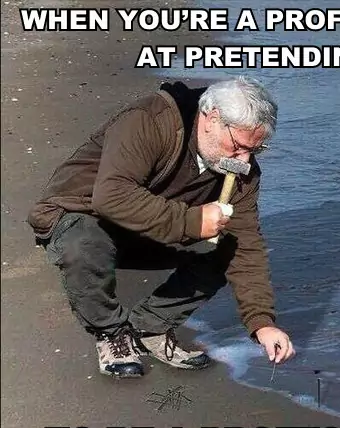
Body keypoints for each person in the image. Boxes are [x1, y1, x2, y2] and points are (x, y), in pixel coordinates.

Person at [27, 76, 295, 378]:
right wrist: (193, 222)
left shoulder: (241, 168)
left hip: (147, 230)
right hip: (82, 212)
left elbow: (246, 243)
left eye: (255, 151)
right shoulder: (150, 120)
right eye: (238, 147)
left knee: (227, 248)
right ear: (211, 119)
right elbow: (111, 196)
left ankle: (149, 327)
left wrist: (262, 322)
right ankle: (111, 334)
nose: (243, 160)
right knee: (83, 243)